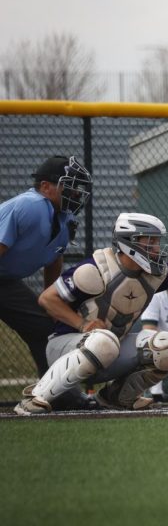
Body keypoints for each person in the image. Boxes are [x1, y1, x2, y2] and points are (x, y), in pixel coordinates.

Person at [13, 212, 168, 415]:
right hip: (64, 348)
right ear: (129, 242)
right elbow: (47, 299)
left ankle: (117, 397)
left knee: (167, 346)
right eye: (150, 241)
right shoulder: (95, 270)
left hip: (109, 350)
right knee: (104, 341)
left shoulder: (155, 272)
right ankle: (35, 398)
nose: (156, 248)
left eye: (157, 241)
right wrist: (82, 324)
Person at [0, 155, 92, 375]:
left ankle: (55, 391)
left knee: (43, 328)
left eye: (78, 187)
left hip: (5, 281)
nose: (77, 193)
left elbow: (54, 258)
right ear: (45, 186)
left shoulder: (64, 219)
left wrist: (51, 299)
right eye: (69, 186)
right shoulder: (31, 206)